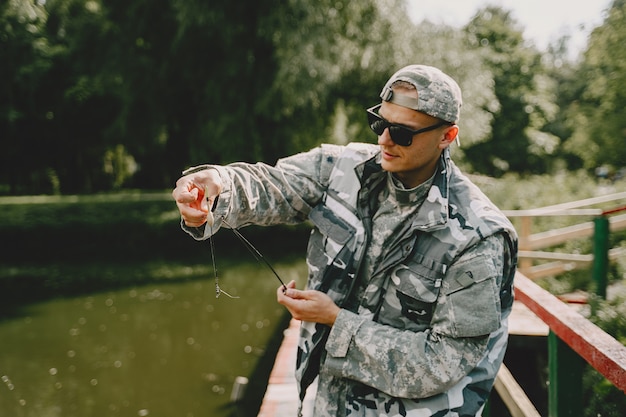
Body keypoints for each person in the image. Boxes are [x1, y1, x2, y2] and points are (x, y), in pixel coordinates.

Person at [172, 64, 518, 417]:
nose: (383, 139)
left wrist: (336, 322)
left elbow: (443, 362)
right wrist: (218, 185)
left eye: (402, 133)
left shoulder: (480, 236)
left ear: (447, 136)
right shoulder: (339, 168)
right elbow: (273, 185)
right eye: (380, 123)